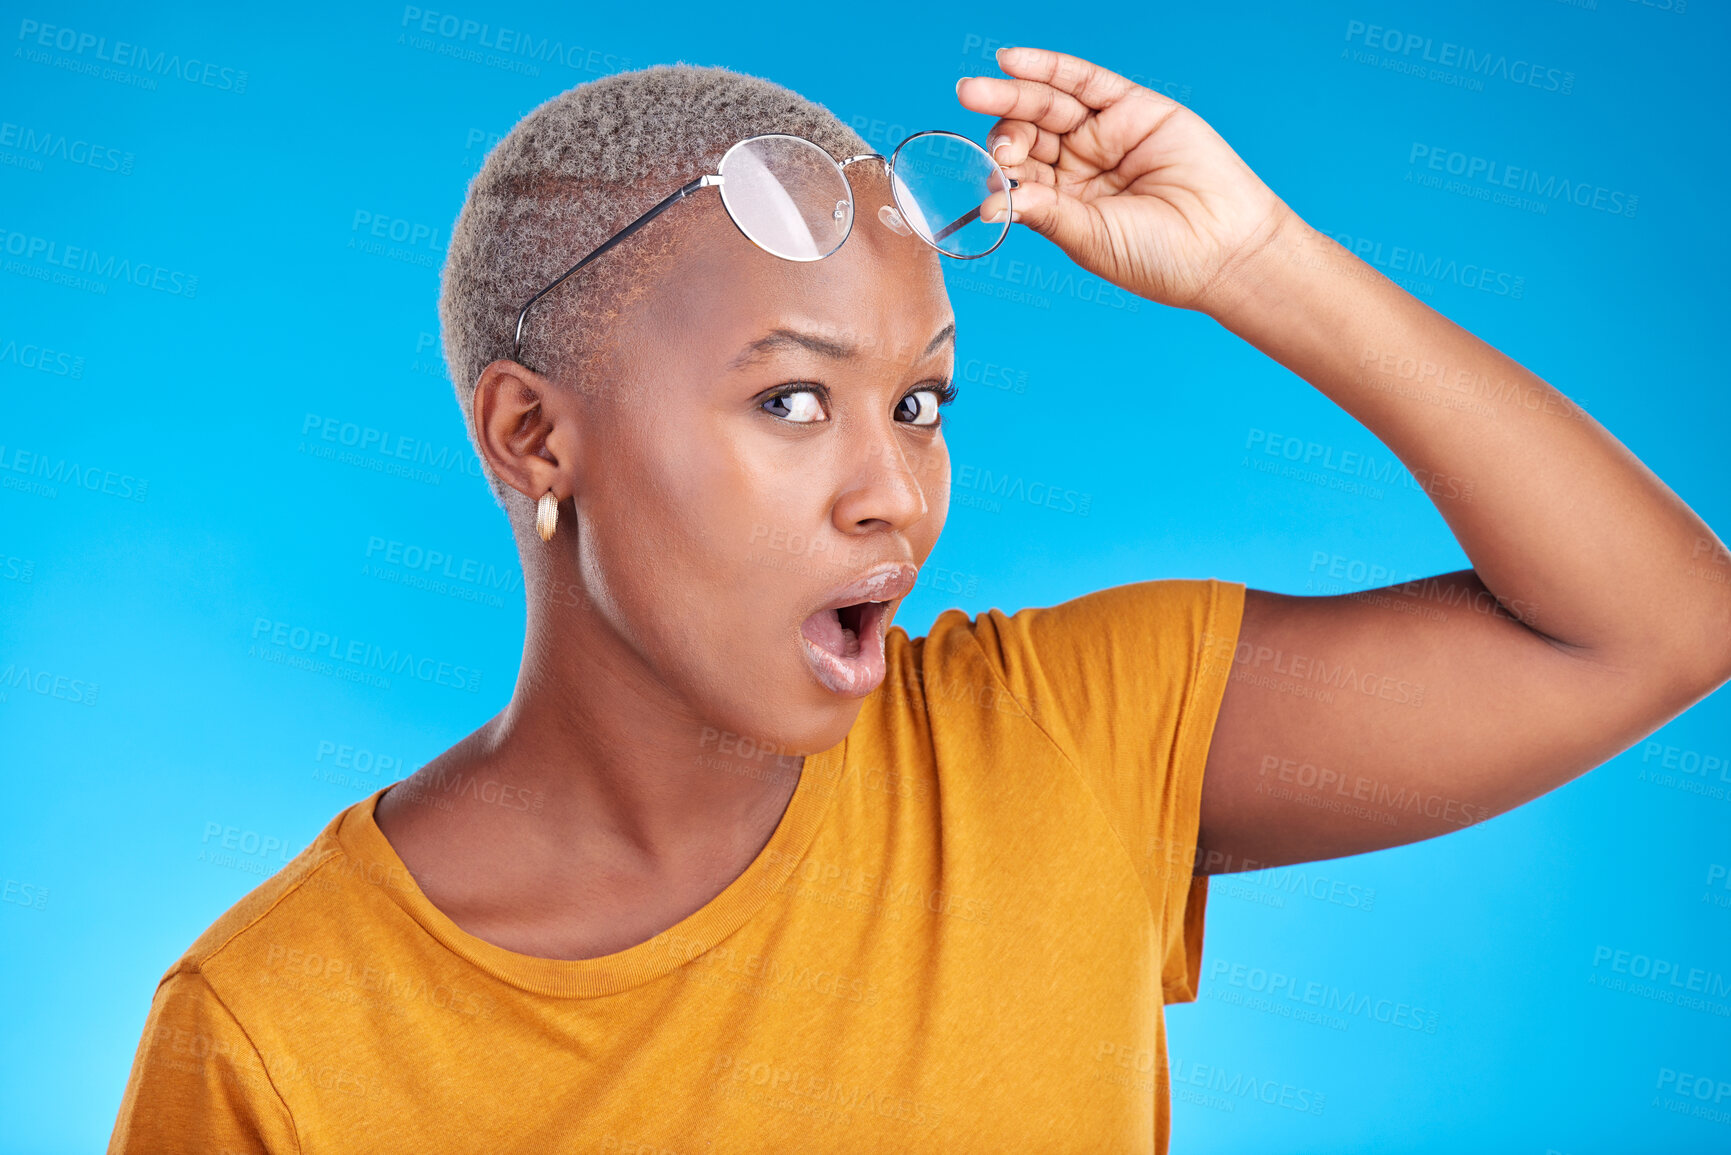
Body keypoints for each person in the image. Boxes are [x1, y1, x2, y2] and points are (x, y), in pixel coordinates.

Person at [108, 45, 1731, 1154]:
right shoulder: (277, 1034)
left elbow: (1655, 622)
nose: (895, 488)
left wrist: (1259, 262)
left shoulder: (1069, 743)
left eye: (924, 404)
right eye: (794, 403)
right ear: (536, 436)